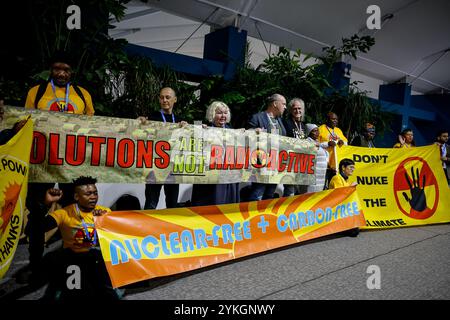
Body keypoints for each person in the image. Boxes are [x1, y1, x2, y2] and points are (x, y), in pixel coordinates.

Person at [39, 176, 120, 300]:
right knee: (76, 294)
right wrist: (45, 204)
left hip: (96, 258)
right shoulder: (64, 213)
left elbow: (117, 238)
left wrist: (105, 221)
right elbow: (35, 228)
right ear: (77, 197)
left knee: (108, 293)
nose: (93, 197)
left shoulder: (104, 211)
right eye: (88, 194)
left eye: (95, 193)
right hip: (73, 259)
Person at [143, 87, 187, 209]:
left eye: (168, 97)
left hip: (173, 167)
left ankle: (171, 228)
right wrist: (137, 124)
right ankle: (147, 228)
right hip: (154, 167)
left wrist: (188, 129)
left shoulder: (180, 121)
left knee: (172, 204)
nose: (164, 100)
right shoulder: (151, 118)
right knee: (151, 203)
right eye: (162, 97)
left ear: (175, 99)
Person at [191, 101, 240, 206]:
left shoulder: (232, 131)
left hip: (228, 174)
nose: (223, 116)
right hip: (210, 175)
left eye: (225, 113)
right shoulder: (205, 128)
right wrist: (199, 130)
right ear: (212, 114)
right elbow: (192, 137)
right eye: (219, 113)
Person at [24, 51, 94, 115]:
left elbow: (91, 124)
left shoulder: (84, 94)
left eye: (66, 70)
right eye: (57, 69)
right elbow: (26, 119)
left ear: (72, 72)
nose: (61, 74)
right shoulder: (35, 92)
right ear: (51, 70)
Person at [247, 94, 287, 201]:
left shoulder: (280, 121)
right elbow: (246, 135)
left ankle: (264, 216)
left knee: (269, 195)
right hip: (261, 163)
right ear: (275, 103)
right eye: (283, 104)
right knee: (257, 194)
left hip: (275, 164)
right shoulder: (257, 117)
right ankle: (252, 215)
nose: (285, 107)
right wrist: (254, 132)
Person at [282, 98, 307, 197]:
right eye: (295, 109)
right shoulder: (286, 123)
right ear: (290, 110)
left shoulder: (303, 126)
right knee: (290, 191)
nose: (297, 111)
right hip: (289, 162)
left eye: (299, 108)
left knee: (300, 192)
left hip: (301, 163)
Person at [329, 158, 359, 237]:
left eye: (353, 168)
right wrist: (351, 187)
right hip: (335, 209)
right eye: (351, 167)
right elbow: (339, 196)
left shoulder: (346, 180)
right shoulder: (337, 178)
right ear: (343, 168)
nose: (353, 169)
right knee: (354, 232)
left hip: (342, 209)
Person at [318, 112, 348, 188]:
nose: (335, 121)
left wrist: (342, 142)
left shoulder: (338, 130)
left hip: (336, 165)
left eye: (336, 119)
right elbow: (315, 144)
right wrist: (327, 144)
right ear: (327, 119)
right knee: (322, 187)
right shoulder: (320, 129)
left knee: (333, 187)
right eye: (333, 119)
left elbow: (346, 143)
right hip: (325, 164)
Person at [305, 123, 329, 193]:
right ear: (309, 132)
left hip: (321, 175)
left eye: (318, 130)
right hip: (313, 176)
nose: (317, 133)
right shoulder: (307, 142)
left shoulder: (318, 143)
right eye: (314, 131)